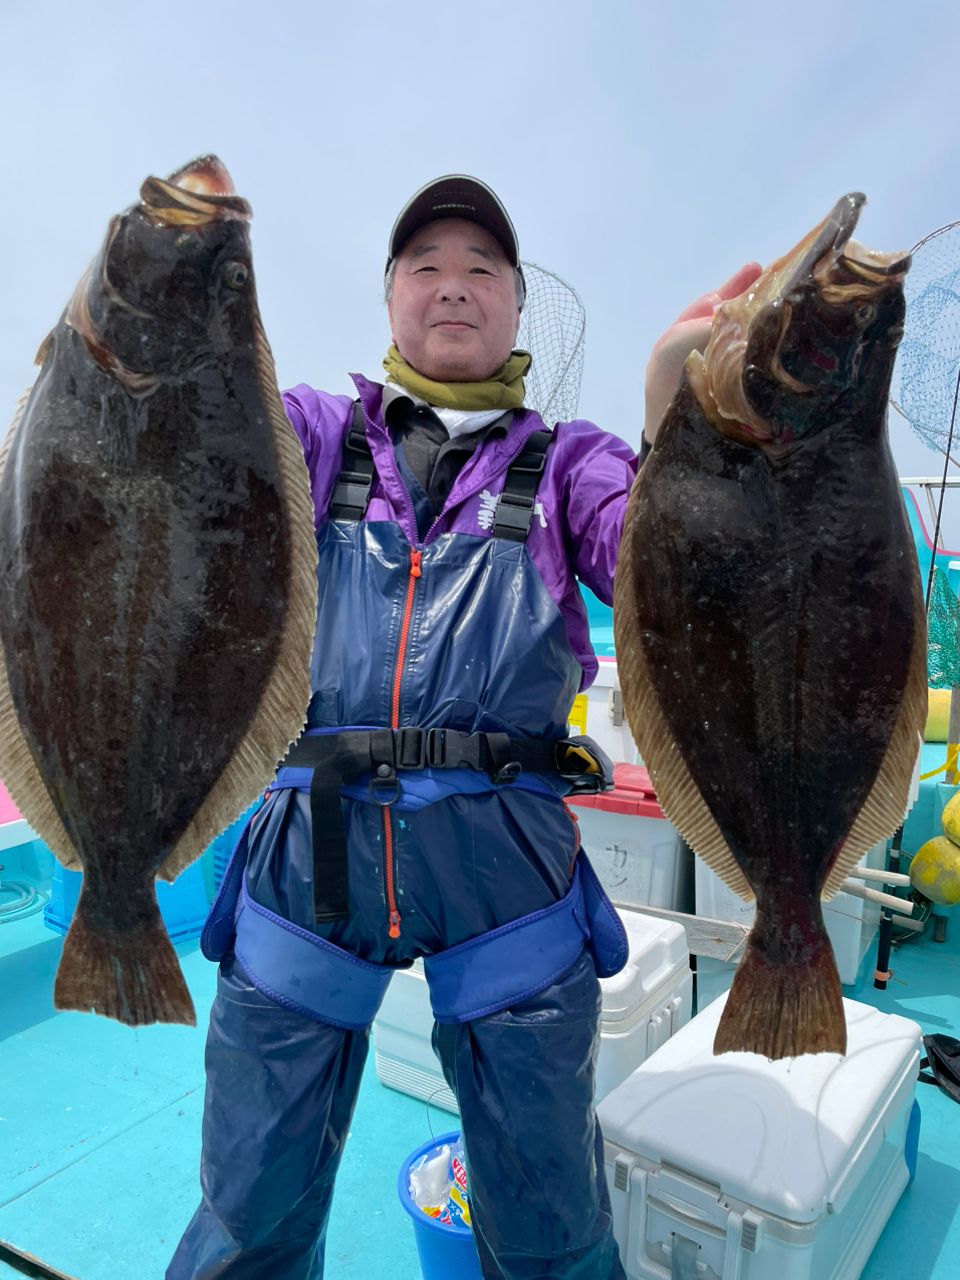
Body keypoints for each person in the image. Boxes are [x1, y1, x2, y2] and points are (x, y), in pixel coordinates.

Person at [167, 175, 760, 1280]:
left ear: (516, 305)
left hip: (510, 873)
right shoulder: (311, 433)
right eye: (425, 266)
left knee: (550, 1218)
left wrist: (682, 402)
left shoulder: (574, 460)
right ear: (390, 296)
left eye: (481, 267)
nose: (453, 287)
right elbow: (205, 456)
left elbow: (663, 565)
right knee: (246, 1207)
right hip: (309, 851)